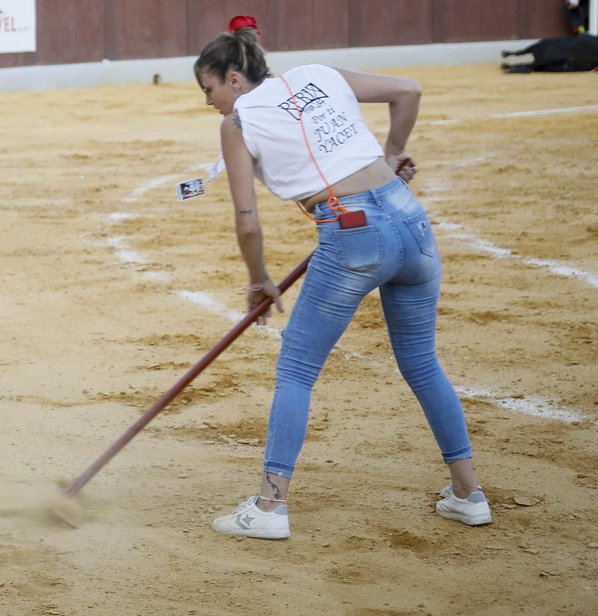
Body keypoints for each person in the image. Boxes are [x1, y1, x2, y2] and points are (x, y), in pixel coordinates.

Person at [193, 29, 487, 540]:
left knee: (297, 368)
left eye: (209, 90)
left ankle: (269, 505)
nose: (209, 102)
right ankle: (468, 494)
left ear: (234, 79)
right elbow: (408, 91)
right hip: (410, 220)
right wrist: (394, 153)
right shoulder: (318, 75)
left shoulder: (238, 122)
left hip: (351, 235)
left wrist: (260, 279)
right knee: (421, 362)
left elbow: (247, 223)